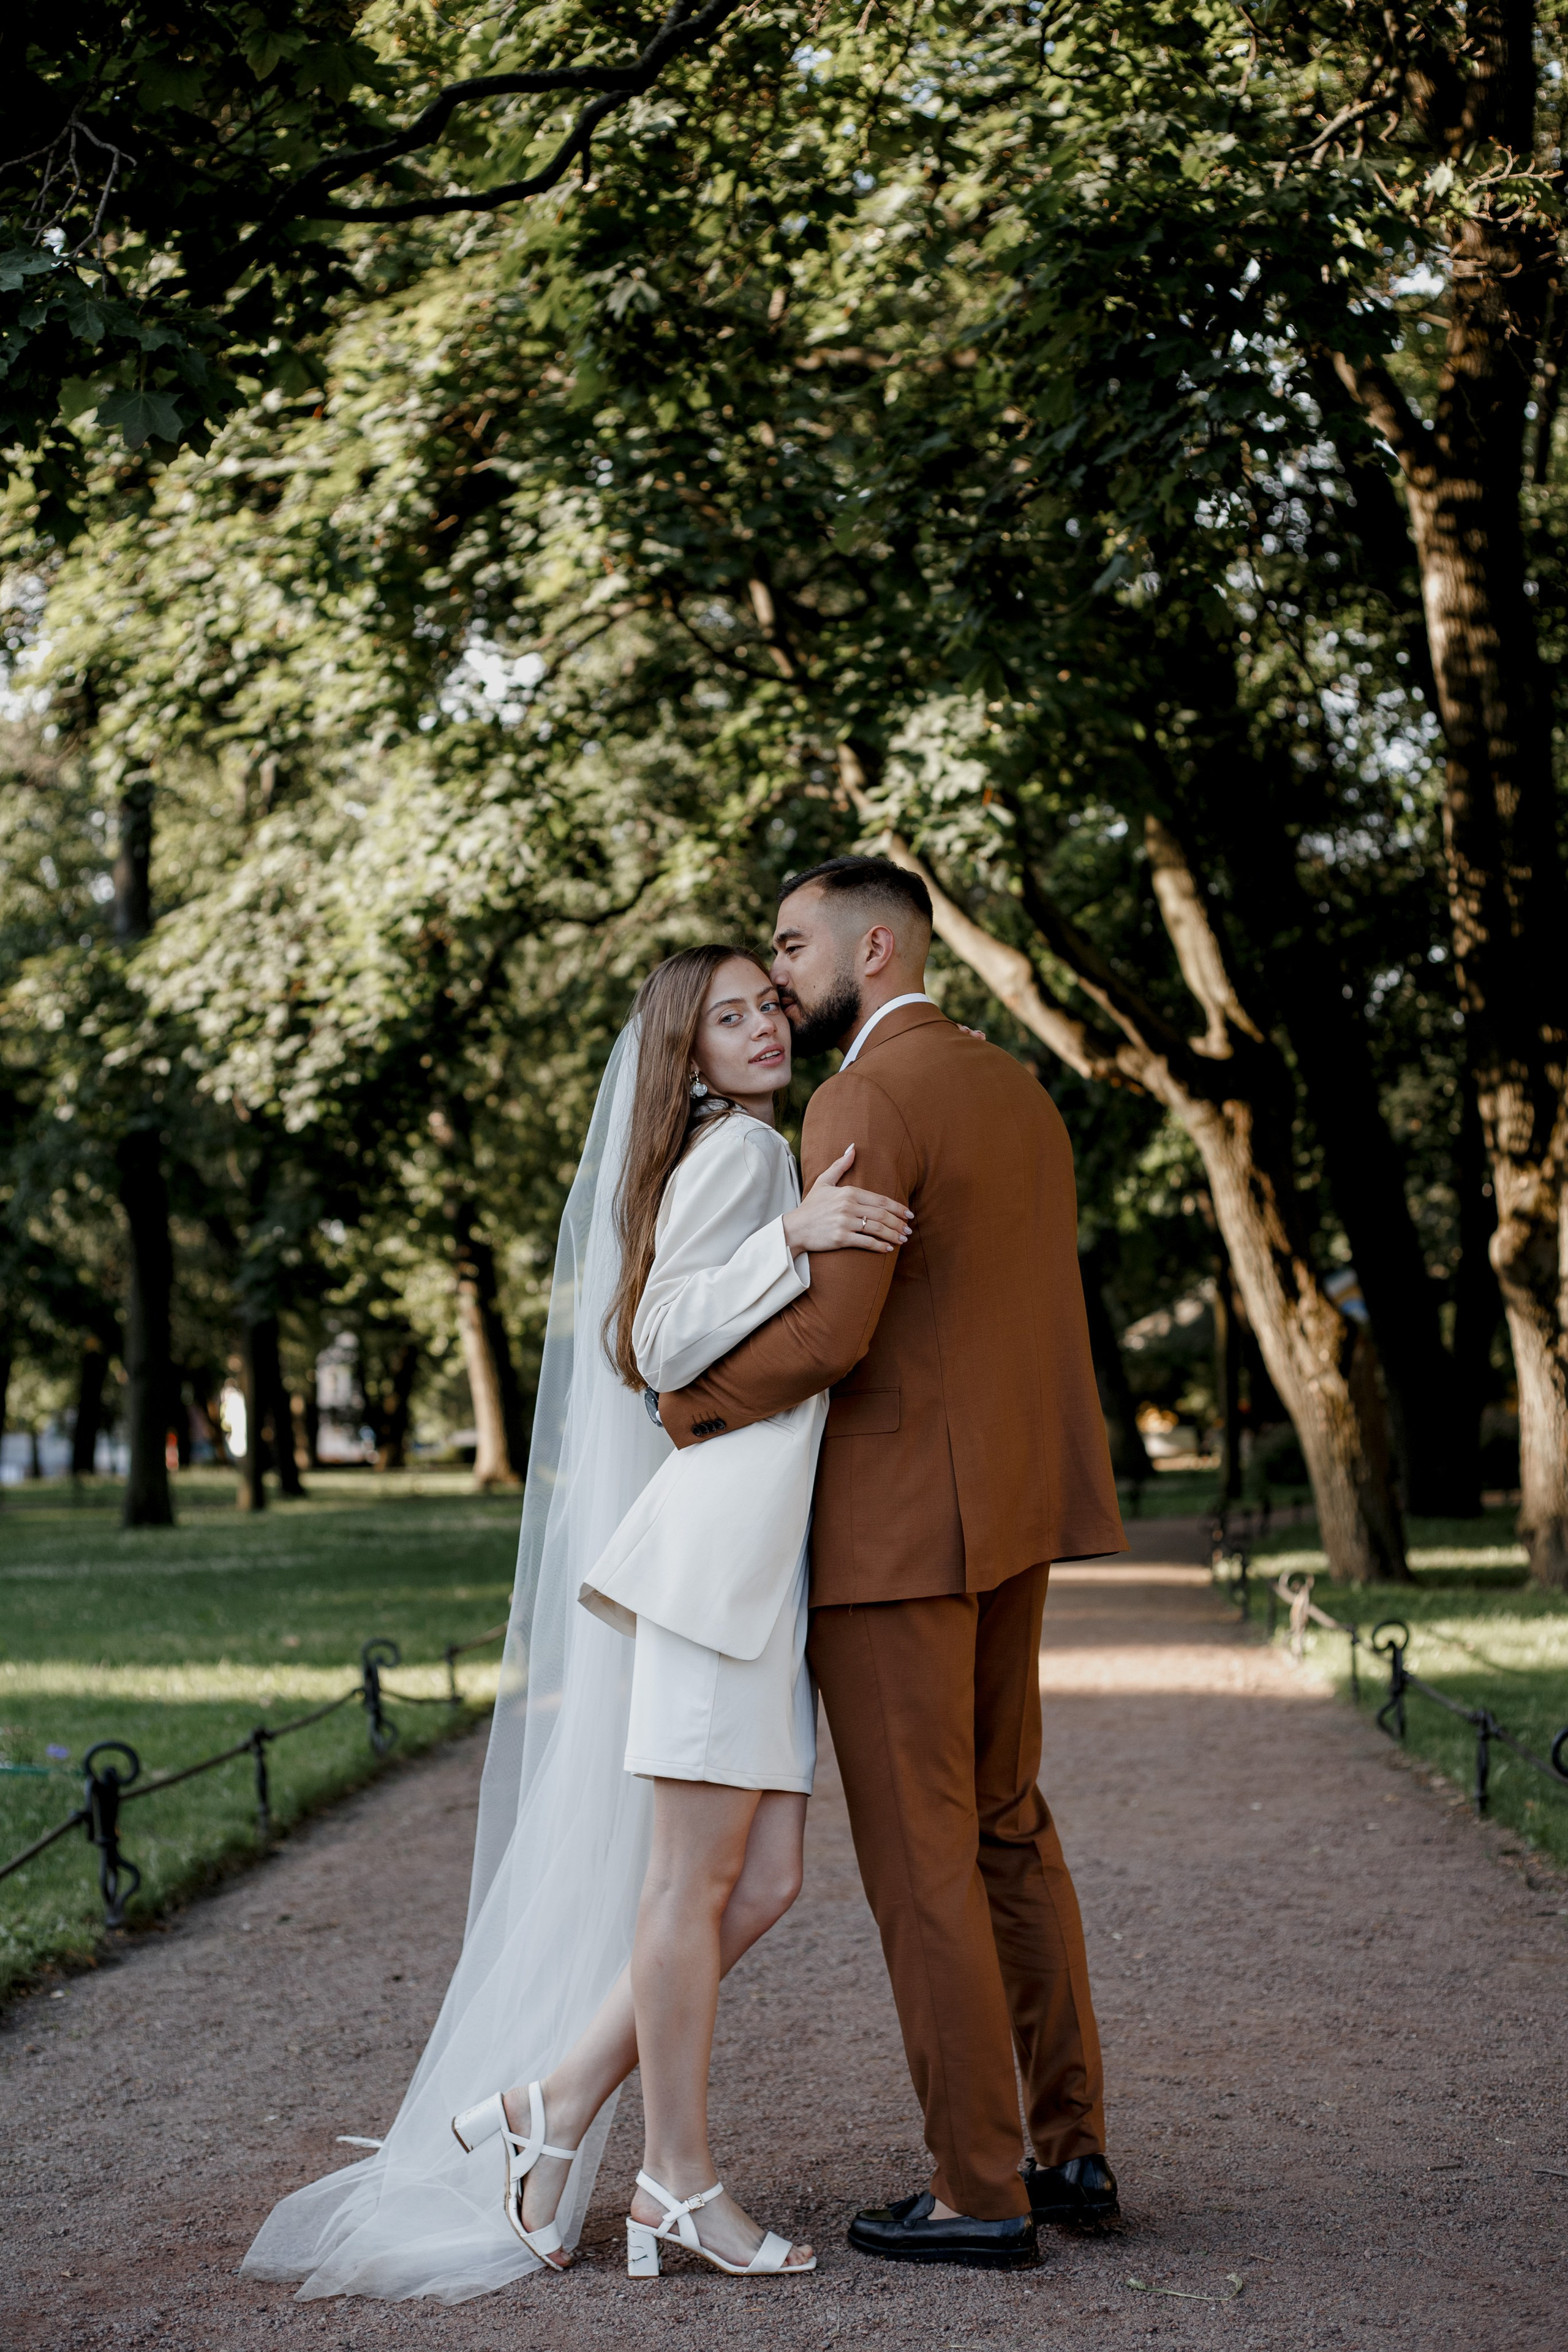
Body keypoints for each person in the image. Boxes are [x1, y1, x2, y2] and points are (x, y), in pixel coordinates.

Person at [242, 944, 910, 2300]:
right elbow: (654, 1340)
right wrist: (787, 1241)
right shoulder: (742, 1158)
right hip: (715, 1563)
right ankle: (676, 2181)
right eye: (727, 1019)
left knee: (761, 1880)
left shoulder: (746, 1148)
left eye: (768, 1006)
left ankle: (545, 2112)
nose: (763, 1029)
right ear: (690, 1054)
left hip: (744, 1570)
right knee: (692, 1887)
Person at [657, 855, 1128, 2269]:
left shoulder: (858, 1098)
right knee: (1005, 1828)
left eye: (791, 948)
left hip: (890, 1537)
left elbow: (830, 1334)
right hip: (1015, 1513)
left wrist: (687, 1404)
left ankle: (976, 2190)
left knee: (922, 1861)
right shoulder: (1017, 1089)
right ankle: (1070, 2151)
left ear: (872, 950)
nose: (777, 976)